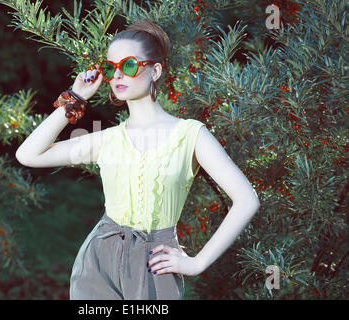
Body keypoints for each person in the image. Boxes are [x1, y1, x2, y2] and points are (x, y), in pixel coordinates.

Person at [15, 19, 260, 300]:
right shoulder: (106, 139)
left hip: (157, 265)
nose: (117, 75)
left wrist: (196, 263)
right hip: (98, 266)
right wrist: (74, 99)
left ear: (155, 70)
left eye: (128, 65)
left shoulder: (191, 135)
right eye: (110, 68)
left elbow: (246, 198)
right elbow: (28, 154)